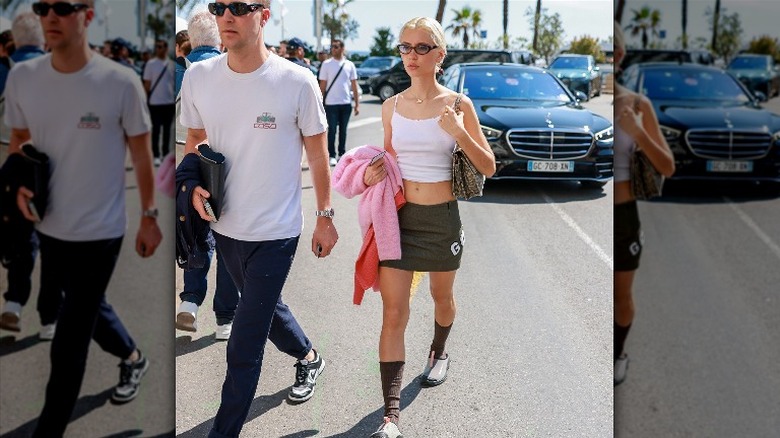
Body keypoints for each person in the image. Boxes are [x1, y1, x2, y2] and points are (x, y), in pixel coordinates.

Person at [178, 1, 337, 436]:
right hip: (224, 226)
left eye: (238, 7)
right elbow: (195, 140)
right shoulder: (199, 77)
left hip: (277, 231)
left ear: (263, 15)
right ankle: (309, 357)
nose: (225, 16)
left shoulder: (296, 80)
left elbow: (318, 153)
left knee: (245, 342)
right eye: (218, 7)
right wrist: (192, 185)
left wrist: (325, 216)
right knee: (266, 309)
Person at [4, 1, 162, 436]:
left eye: (62, 7)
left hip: (102, 232)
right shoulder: (24, 78)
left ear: (87, 15)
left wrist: (150, 215)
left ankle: (48, 430)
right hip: (49, 227)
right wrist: (19, 182)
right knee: (88, 307)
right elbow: (19, 141)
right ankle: (133, 358)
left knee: (70, 338)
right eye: (42, 8)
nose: (50, 16)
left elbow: (142, 153)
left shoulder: (120, 82)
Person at [360, 17, 495, 438]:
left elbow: (488, 165)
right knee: (394, 313)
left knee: (442, 296)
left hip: (441, 220)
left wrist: (458, 131)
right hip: (399, 220)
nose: (411, 56)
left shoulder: (458, 105)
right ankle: (391, 415)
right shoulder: (391, 106)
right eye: (405, 47)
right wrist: (368, 176)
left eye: (421, 48)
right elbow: (386, 162)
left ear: (440, 55)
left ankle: (439, 351)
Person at [612, 22, 675, 385]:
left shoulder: (637, 105)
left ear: (619, 57)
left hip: (623, 217)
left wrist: (637, 132)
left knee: (622, 295)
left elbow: (667, 165)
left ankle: (618, 351)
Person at [174, 9, 239, 340]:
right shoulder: (233, 69)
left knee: (194, 233)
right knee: (227, 238)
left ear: (190, 40)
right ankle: (225, 319)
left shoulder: (179, 73)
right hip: (227, 169)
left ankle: (189, 303)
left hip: (186, 164)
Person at [0, 11, 60, 340]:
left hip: (8, 172)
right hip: (52, 171)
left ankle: (13, 305)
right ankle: (50, 320)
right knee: (53, 245)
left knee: (18, 242)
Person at [318, 39, 359, 166]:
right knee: (332, 131)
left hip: (346, 103)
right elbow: (322, 86)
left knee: (343, 130)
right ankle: (332, 155)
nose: (333, 49)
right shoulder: (326, 64)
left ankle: (342, 153)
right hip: (331, 103)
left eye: (336, 47)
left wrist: (357, 104)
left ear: (342, 48)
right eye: (332, 47)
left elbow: (354, 85)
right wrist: (319, 104)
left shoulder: (349, 65)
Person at [143, 38, 175, 166]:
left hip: (169, 103)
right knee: (156, 129)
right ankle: (156, 155)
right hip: (155, 103)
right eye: (157, 47)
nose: (158, 49)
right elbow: (147, 84)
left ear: (166, 48)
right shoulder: (150, 64)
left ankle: (166, 154)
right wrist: (145, 101)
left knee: (167, 131)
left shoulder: (172, 64)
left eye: (161, 46)